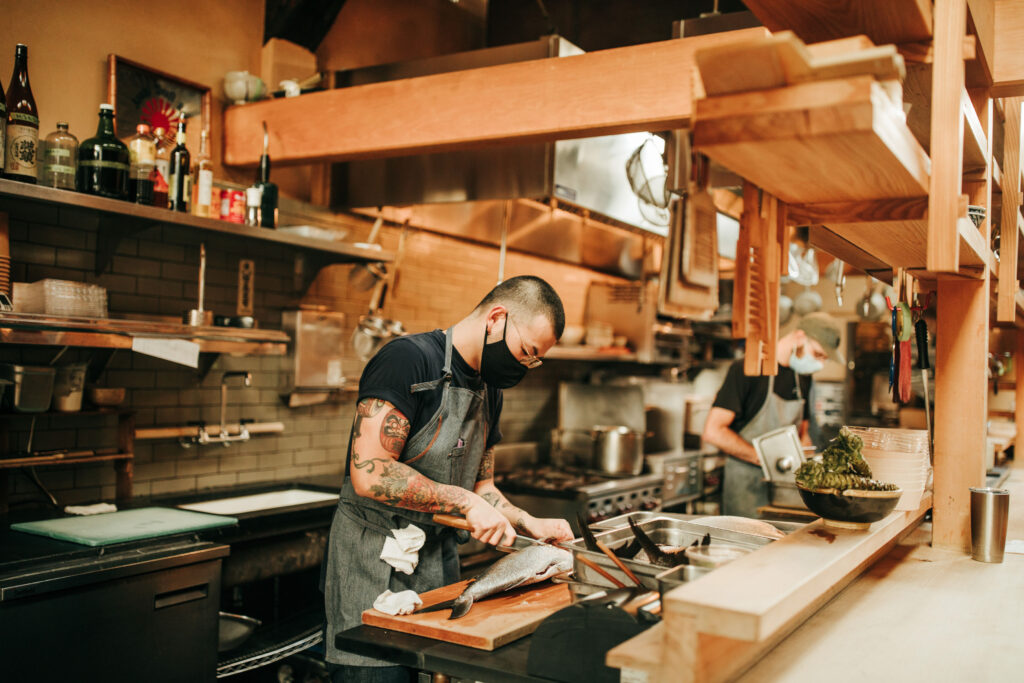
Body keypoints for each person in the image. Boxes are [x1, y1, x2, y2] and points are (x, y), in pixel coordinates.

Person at [323, 275, 575, 683]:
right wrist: (463, 503)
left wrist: (528, 522)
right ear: (497, 318)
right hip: (373, 571)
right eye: (526, 352)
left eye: (534, 361)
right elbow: (369, 472)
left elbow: (483, 489)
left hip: (437, 573)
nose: (525, 367)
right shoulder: (407, 360)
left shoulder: (491, 390)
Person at [702, 312, 844, 518]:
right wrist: (766, 459)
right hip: (746, 488)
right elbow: (713, 432)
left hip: (785, 491)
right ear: (799, 337)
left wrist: (811, 465)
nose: (820, 364)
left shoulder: (803, 377)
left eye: (824, 359)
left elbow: (803, 434)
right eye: (818, 354)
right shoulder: (746, 370)